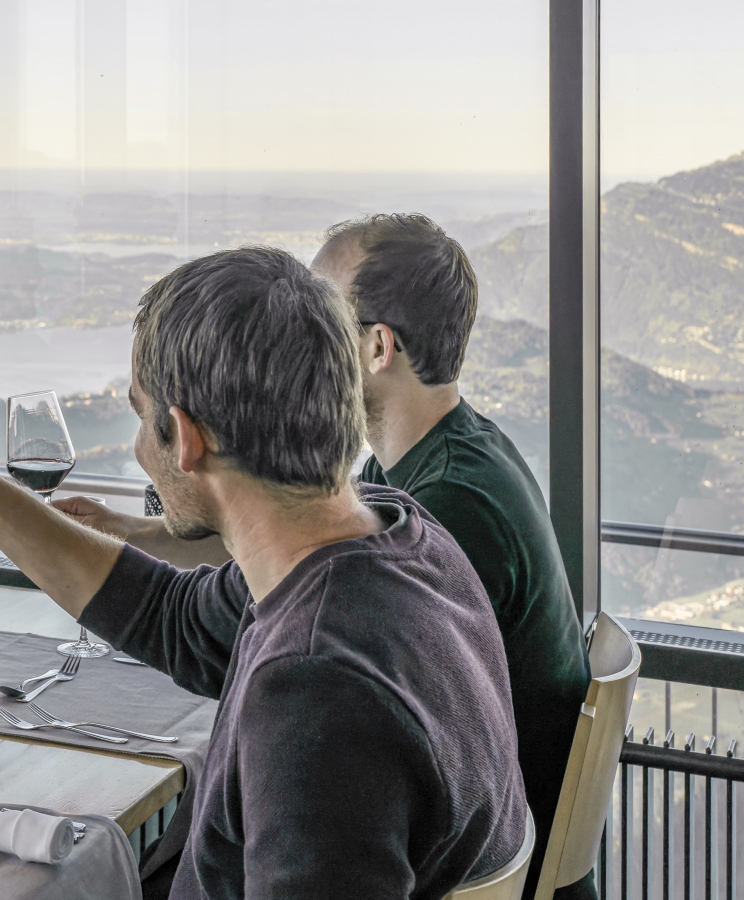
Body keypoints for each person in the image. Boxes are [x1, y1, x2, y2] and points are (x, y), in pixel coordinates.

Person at [0, 246, 528, 898]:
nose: (136, 447)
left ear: (185, 437)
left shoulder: (315, 690)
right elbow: (165, 613)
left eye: (138, 414)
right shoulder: (396, 538)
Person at [64, 215, 592, 898]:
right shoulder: (411, 517)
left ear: (372, 347)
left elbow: (289, 673)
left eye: (321, 308)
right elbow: (212, 601)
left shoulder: (325, 673)